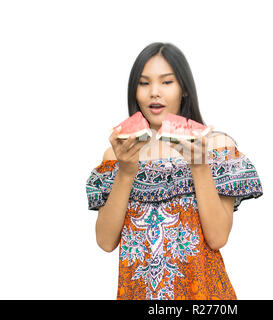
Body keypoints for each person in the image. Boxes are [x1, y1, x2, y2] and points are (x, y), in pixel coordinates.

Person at [86, 42, 263, 300]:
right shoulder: (117, 155)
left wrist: (199, 166)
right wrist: (125, 172)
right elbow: (105, 241)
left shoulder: (216, 147)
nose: (154, 92)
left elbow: (217, 238)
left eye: (166, 82)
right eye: (144, 83)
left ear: (184, 90)